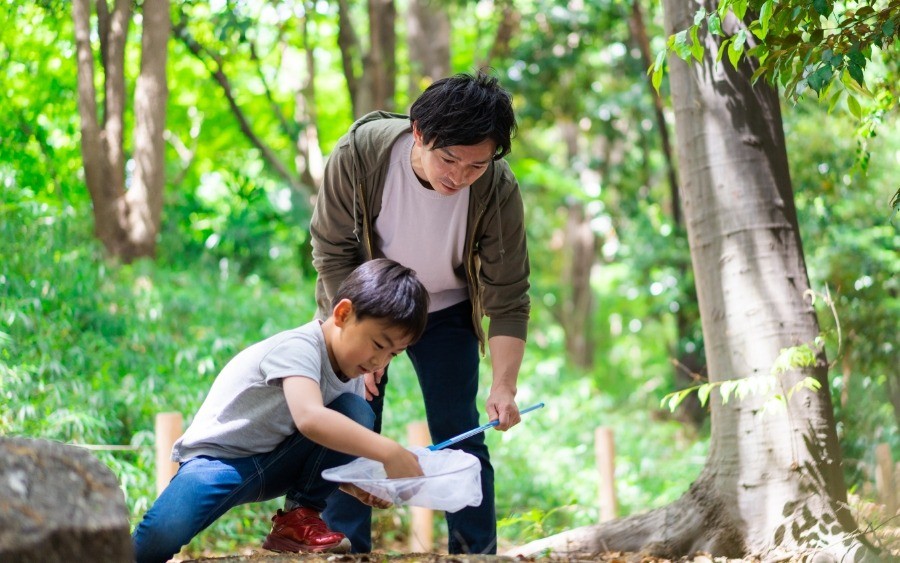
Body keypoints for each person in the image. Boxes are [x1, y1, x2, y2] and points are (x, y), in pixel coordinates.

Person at [306, 70, 531, 554]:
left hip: (447, 311)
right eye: (449, 159)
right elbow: (330, 250)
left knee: (460, 435)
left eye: (476, 166)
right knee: (350, 423)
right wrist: (362, 339)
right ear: (419, 133)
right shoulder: (361, 153)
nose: (459, 176)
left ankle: (474, 552)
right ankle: (343, 548)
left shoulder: (497, 187)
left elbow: (508, 294)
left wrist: (505, 385)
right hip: (366, 304)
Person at [131, 259, 430, 563]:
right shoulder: (299, 347)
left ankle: (298, 518)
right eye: (378, 344)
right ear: (343, 313)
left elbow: (317, 449)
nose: (380, 362)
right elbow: (310, 419)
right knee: (158, 536)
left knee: (357, 413)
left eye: (393, 354)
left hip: (275, 464)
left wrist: (357, 486)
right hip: (216, 463)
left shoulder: (350, 379)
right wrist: (390, 452)